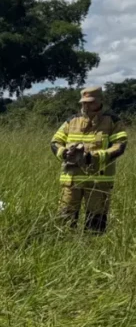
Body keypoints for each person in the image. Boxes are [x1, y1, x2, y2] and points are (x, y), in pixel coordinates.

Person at [51, 86, 128, 233]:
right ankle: (66, 244)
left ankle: (92, 248)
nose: (86, 105)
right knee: (65, 217)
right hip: (71, 179)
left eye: (91, 102)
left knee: (96, 222)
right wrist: (64, 153)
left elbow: (120, 147)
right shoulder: (71, 121)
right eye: (84, 102)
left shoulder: (112, 121)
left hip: (99, 180)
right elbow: (55, 142)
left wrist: (93, 156)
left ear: (101, 100)